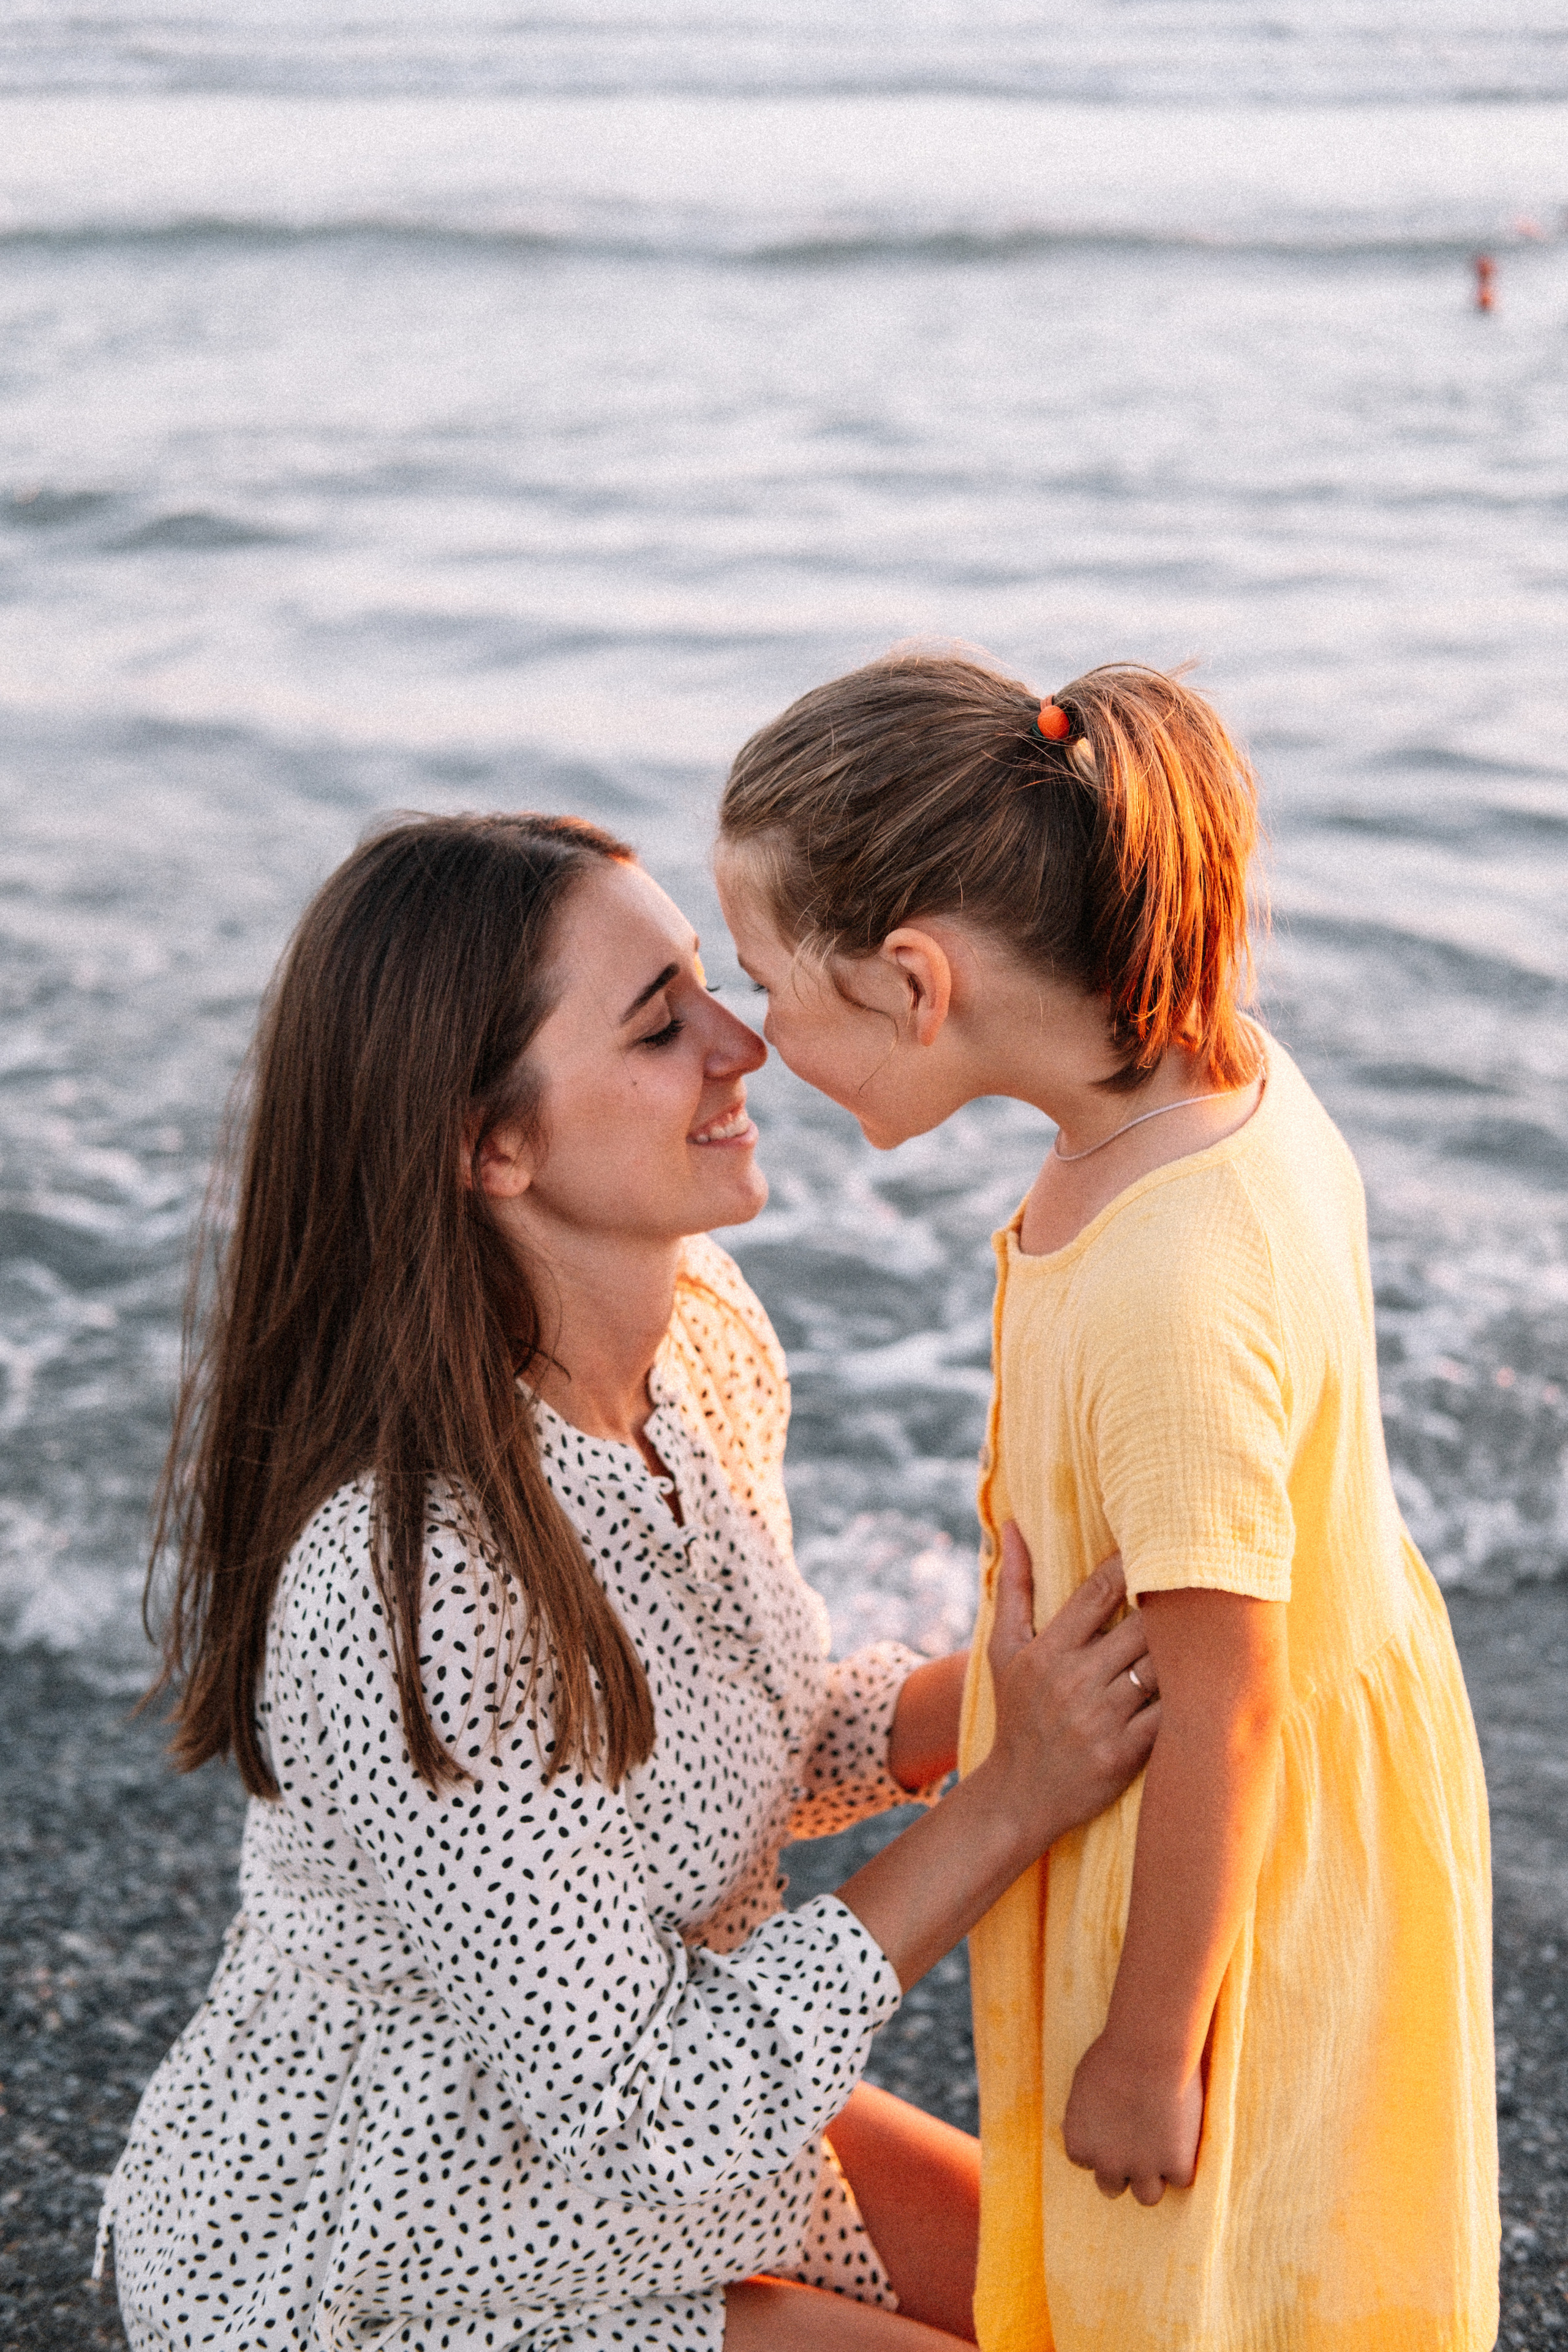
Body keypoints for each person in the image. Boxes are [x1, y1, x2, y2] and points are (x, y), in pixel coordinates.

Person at [98, 811, 1161, 2352]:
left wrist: (999, 1699)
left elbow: (749, 1742)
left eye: (707, 987)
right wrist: (1006, 1804)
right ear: (489, 1143)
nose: (744, 1043)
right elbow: (643, 2105)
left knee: (1131, 2314)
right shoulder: (407, 1583)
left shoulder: (704, 1333)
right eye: (662, 1024)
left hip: (684, 2114)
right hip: (393, 2244)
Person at [715, 655, 1499, 2352]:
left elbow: (1229, 1700)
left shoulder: (1171, 1281)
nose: (753, 1037)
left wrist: (1153, 2046)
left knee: (1201, 2259)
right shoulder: (1201, 1093)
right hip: (1246, 1787)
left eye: (772, 981)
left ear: (917, 980)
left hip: (1228, 1852)